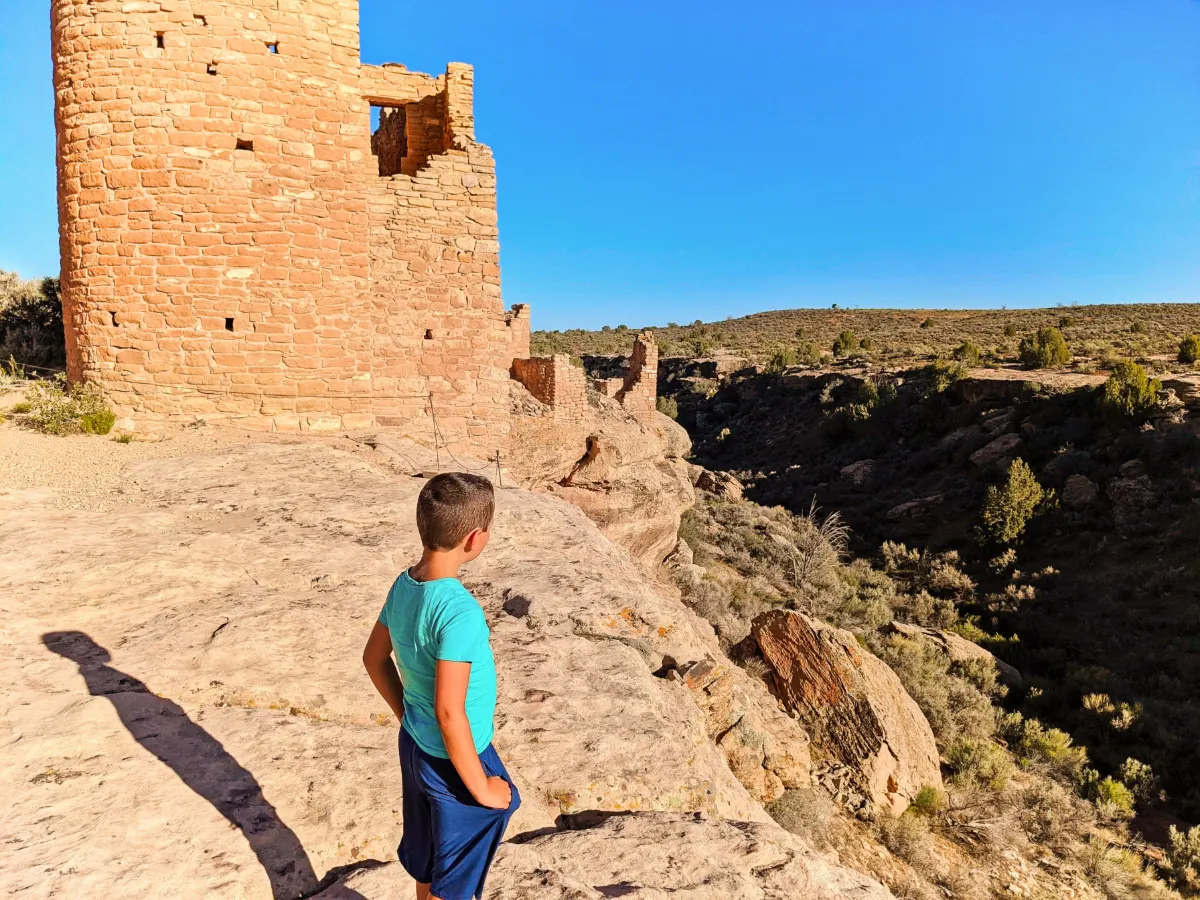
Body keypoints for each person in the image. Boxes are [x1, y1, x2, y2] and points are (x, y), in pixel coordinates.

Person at [363, 472, 519, 900]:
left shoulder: (404, 584)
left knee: (428, 853)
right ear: (474, 539)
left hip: (415, 743)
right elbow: (450, 712)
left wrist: (407, 716)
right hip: (452, 758)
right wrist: (481, 786)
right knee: (460, 866)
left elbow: (373, 658)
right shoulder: (459, 613)